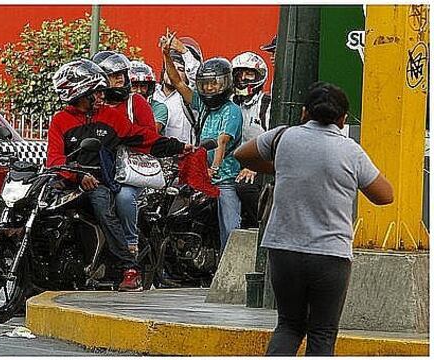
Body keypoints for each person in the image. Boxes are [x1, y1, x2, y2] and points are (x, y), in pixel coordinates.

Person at [234, 82, 394, 356]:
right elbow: (385, 195)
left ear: (304, 112)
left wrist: (281, 168)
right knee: (322, 332)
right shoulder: (350, 151)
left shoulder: (283, 137)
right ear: (343, 119)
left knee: (288, 326)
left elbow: (242, 155)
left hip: (284, 251)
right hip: (330, 255)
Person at [47, 58, 193, 291]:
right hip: (67, 181)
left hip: (99, 182)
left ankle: (129, 267)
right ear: (80, 94)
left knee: (103, 206)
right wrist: (76, 176)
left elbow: (142, 138)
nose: (101, 97)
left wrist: (178, 146)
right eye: (96, 92)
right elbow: (54, 159)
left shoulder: (110, 117)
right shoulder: (60, 120)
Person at [161, 35, 243, 255]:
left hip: (223, 180)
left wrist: (213, 169)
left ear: (225, 83)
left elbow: (222, 143)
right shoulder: (203, 105)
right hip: (200, 177)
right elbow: (178, 82)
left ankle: (229, 262)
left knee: (230, 225)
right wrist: (167, 55)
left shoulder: (231, 110)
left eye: (213, 83)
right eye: (204, 84)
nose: (208, 88)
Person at [92, 52, 158, 255]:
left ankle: (130, 242)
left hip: (129, 171)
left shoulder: (135, 102)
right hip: (98, 169)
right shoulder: (94, 104)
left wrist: (123, 139)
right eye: (114, 75)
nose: (120, 78)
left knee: (124, 197)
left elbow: (151, 137)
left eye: (122, 73)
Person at [231, 51, 271, 229]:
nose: (244, 78)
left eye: (249, 73)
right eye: (240, 73)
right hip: (231, 162)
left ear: (259, 76)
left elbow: (274, 140)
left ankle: (260, 229)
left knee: (244, 187)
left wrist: (254, 166)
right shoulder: (229, 102)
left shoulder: (266, 104)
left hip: (262, 163)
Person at [153, 34, 202, 144]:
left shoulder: (188, 98)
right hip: (153, 159)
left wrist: (184, 51)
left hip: (183, 157)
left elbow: (198, 78)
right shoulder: (152, 94)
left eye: (180, 69)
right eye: (171, 66)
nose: (174, 71)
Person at [129, 60, 169, 130]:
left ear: (149, 88)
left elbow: (152, 132)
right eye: (134, 86)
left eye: (143, 86)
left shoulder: (159, 108)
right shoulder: (120, 107)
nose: (139, 91)